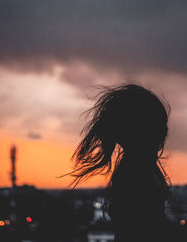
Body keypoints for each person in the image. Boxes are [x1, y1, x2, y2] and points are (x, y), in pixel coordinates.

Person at [69, 84, 175, 242]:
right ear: (144, 132)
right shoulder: (137, 171)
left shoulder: (136, 166)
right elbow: (140, 226)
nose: (166, 132)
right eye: (160, 125)